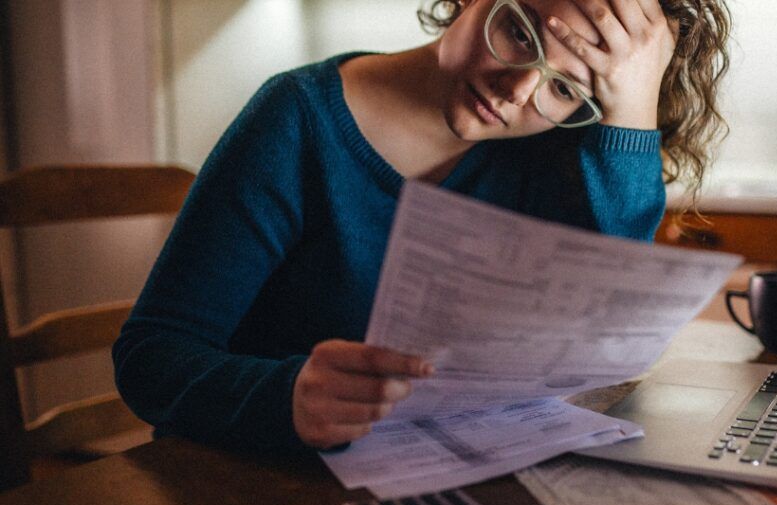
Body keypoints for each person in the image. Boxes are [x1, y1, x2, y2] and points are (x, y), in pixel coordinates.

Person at [113, 0, 730, 453]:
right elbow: (150, 357)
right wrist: (286, 396)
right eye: (518, 33)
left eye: (567, 88)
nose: (518, 92)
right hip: (250, 495)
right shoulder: (297, 120)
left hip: (432, 489)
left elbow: (608, 342)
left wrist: (632, 110)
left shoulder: (551, 155)